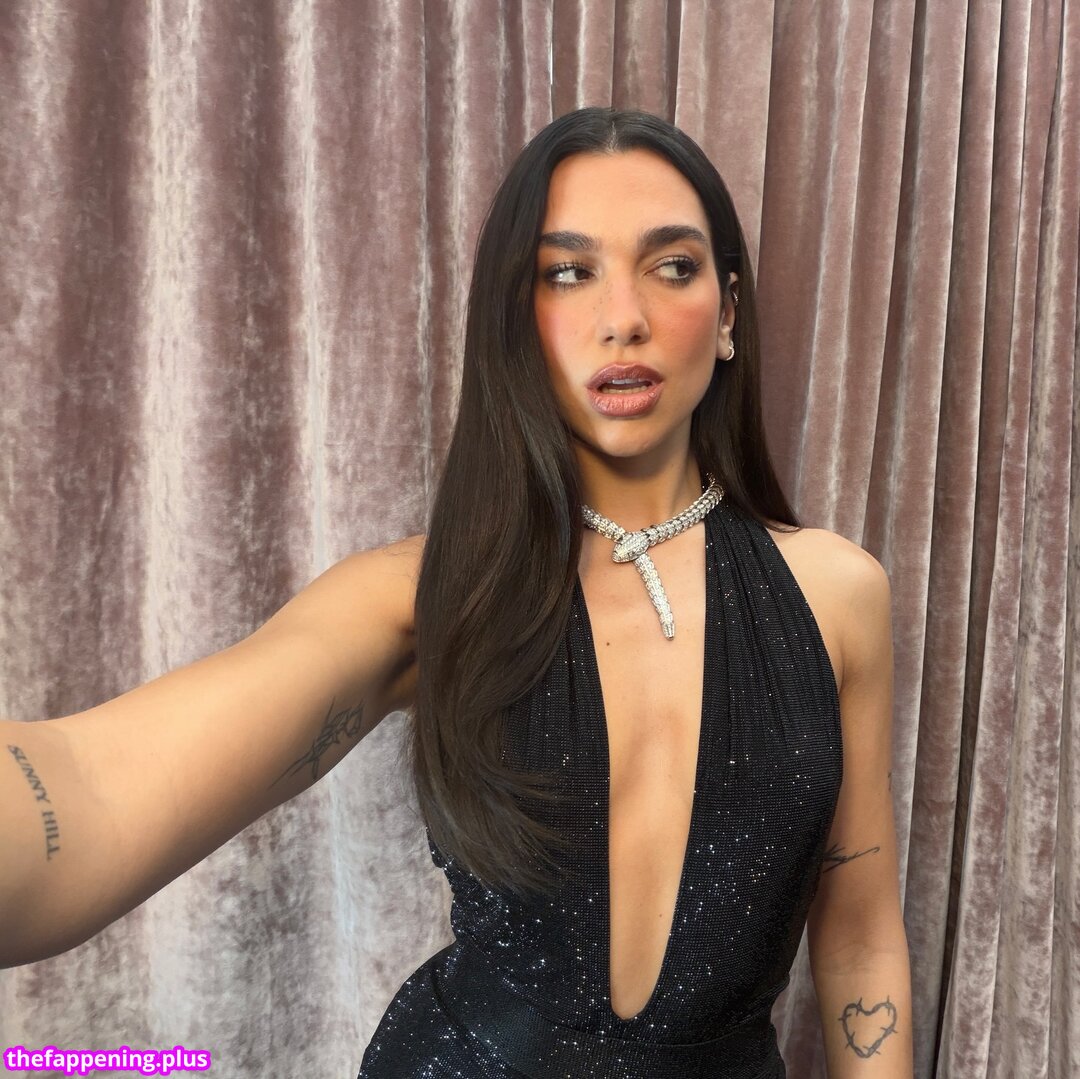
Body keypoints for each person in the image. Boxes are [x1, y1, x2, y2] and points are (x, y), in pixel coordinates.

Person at [0, 107, 913, 1078]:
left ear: (728, 311)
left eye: (672, 265)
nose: (624, 317)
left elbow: (859, 934)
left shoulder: (837, 595)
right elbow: (94, 789)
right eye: (568, 272)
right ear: (515, 316)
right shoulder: (427, 599)